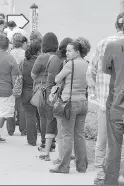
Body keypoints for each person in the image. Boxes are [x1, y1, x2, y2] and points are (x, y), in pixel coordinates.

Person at [87, 13, 124, 185]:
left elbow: (92, 71)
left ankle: (102, 176)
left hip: (109, 102)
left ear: (116, 25)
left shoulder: (105, 44)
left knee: (106, 143)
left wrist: (94, 92)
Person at [51, 37, 90, 174]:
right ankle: (82, 166)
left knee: (67, 135)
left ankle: (64, 167)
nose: (66, 53)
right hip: (83, 103)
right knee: (79, 135)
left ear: (77, 52)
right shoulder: (87, 64)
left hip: (69, 103)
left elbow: (56, 79)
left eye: (69, 51)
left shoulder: (70, 64)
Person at [31, 32, 63, 155]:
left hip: (43, 90)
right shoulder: (59, 57)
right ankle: (53, 142)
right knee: (53, 117)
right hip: (56, 90)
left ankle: (45, 142)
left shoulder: (42, 57)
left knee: (43, 117)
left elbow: (33, 75)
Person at [102, 16, 124, 185]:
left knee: (114, 148)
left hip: (118, 104)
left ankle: (111, 182)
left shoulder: (112, 46)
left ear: (117, 25)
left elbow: (106, 69)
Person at [7, 33, 28, 136]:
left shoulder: (10, 53)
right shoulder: (25, 53)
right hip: (22, 80)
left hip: (11, 80)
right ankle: (23, 129)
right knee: (22, 106)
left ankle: (10, 129)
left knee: (12, 105)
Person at [21, 42, 42, 146]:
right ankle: (44, 140)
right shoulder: (41, 63)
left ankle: (32, 140)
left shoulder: (23, 62)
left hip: (25, 92)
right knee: (42, 117)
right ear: (39, 51)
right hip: (38, 92)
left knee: (30, 116)